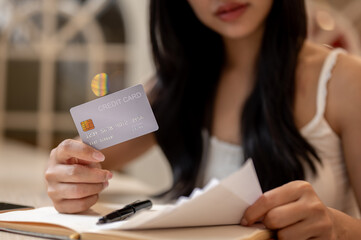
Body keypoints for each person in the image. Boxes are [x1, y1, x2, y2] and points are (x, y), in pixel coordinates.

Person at [45, 0, 361, 239]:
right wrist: (66, 177)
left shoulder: (346, 81)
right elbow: (80, 153)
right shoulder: (171, 85)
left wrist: (340, 228)